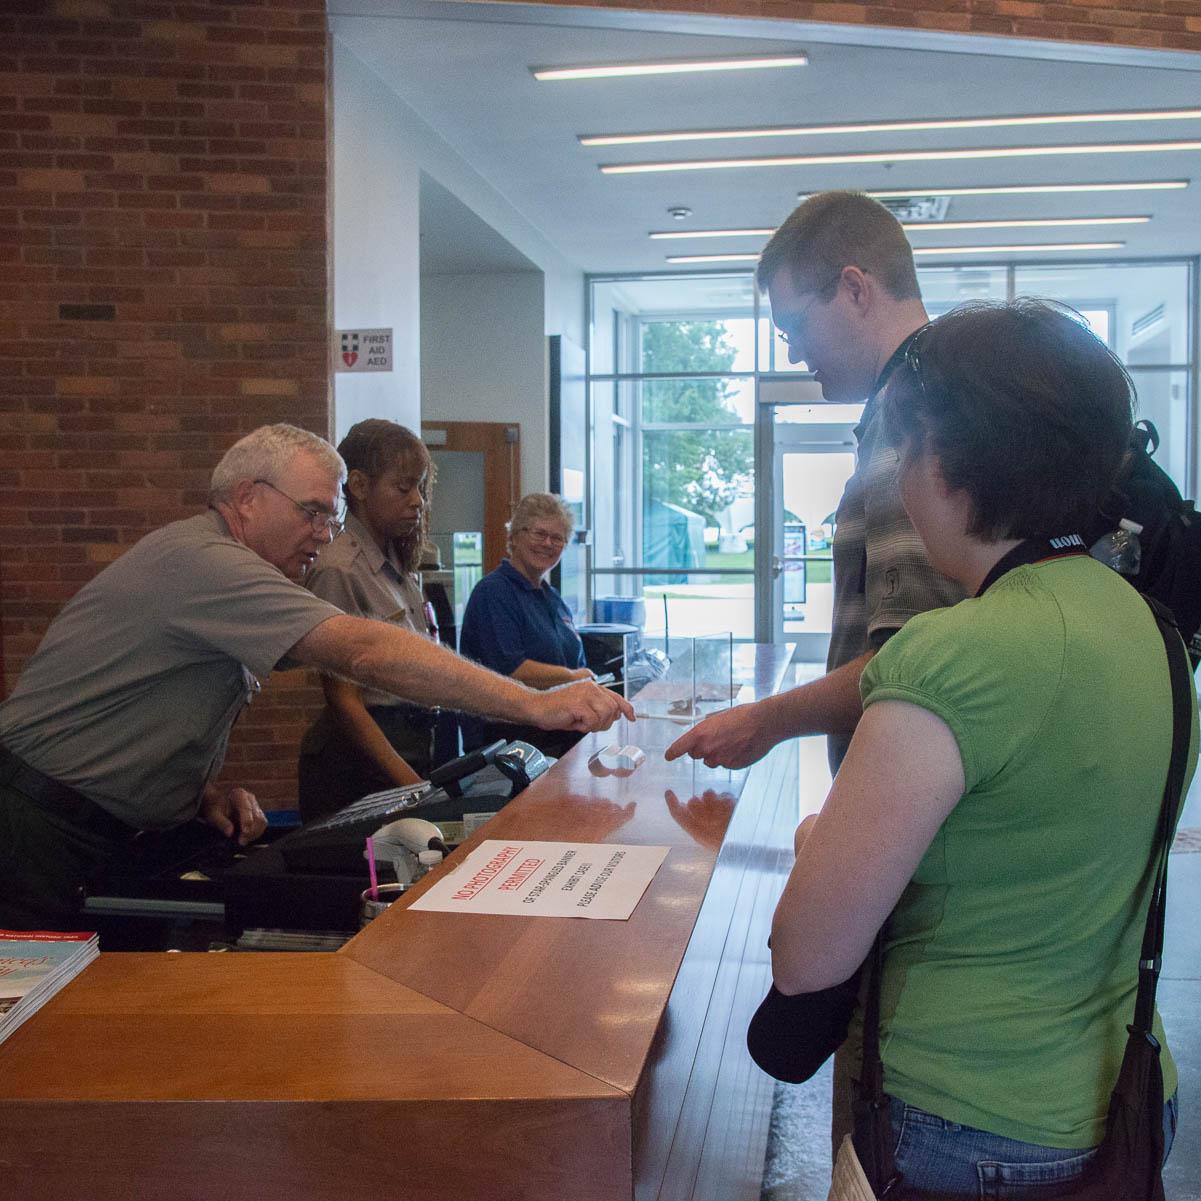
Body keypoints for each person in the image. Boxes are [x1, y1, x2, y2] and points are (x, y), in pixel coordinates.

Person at [770, 300, 1198, 1194]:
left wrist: (818, 845)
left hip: (961, 1120)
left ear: (938, 458)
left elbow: (808, 954)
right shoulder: (1151, 634)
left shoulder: (946, 656)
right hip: (1124, 1090)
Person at [0, 425, 632, 931]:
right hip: (39, 832)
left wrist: (194, 794)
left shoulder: (237, 572)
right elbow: (361, 653)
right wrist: (534, 705)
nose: (321, 535)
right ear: (247, 498)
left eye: (331, 520)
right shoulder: (205, 561)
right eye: (310, 513)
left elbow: (148, 703)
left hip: (109, 830)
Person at [666, 191, 964, 775]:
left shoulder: (914, 415)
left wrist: (765, 721)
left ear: (855, 289)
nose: (797, 353)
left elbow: (914, 660)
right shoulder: (937, 394)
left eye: (796, 327)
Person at [297, 419, 441, 823]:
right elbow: (344, 702)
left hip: (410, 741)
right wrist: (414, 788)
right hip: (360, 761)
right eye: (403, 488)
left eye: (420, 488)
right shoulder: (341, 568)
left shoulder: (399, 564)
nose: (417, 501)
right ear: (358, 486)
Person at [459, 493, 594, 758]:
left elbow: (576, 663)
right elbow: (512, 669)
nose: (547, 544)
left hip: (557, 743)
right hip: (509, 747)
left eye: (557, 538)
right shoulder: (494, 592)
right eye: (539, 533)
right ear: (516, 536)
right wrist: (572, 678)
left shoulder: (552, 599)